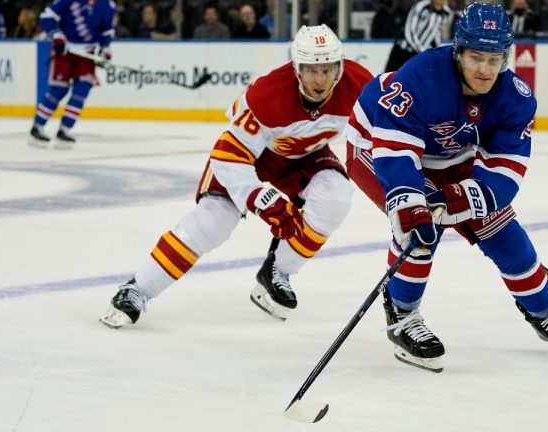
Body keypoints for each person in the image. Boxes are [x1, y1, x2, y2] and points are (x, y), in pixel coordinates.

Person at [344, 2, 548, 373]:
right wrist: (412, 203)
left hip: (448, 155)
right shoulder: (422, 77)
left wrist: (463, 199)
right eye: (476, 56)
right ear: (458, 50)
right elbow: (396, 151)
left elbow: (506, 167)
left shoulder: (515, 97)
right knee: (418, 228)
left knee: (504, 234)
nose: (484, 69)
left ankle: (545, 315)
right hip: (376, 144)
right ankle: (403, 316)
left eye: (494, 59)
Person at [100, 24, 374, 328]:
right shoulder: (267, 94)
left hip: (302, 155)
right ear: (296, 68)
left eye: (327, 69)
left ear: (340, 66)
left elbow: (384, 136)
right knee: (212, 223)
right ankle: (138, 289)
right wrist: (259, 198)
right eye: (311, 69)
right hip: (247, 159)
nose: (320, 80)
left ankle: (277, 271)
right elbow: (228, 155)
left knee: (335, 198)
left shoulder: (360, 84)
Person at [27, 0, 116, 150]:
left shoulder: (107, 4)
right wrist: (57, 35)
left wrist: (105, 49)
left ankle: (65, 129)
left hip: (87, 53)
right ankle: (37, 126)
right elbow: (47, 17)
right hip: (65, 51)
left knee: (82, 90)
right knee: (58, 90)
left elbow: (106, 31)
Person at [384, 0, 452, 72]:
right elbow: (409, 31)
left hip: (419, 55)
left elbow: (437, 34)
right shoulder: (421, 6)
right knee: (389, 78)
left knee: (412, 81)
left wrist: (434, 51)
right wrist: (421, 50)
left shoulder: (446, 13)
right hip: (402, 51)